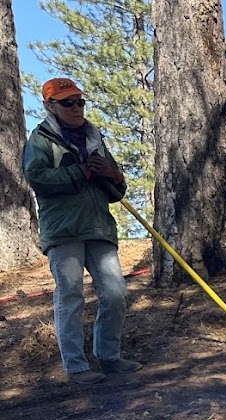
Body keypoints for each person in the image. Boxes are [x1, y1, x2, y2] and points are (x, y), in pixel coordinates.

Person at [22, 77, 141, 386]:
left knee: (116, 293)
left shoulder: (94, 137)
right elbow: (37, 178)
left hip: (99, 226)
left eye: (79, 101)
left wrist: (112, 175)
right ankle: (76, 367)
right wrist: (79, 171)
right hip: (63, 230)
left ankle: (109, 357)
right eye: (67, 102)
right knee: (70, 295)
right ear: (50, 106)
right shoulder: (41, 138)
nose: (76, 107)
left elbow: (117, 188)